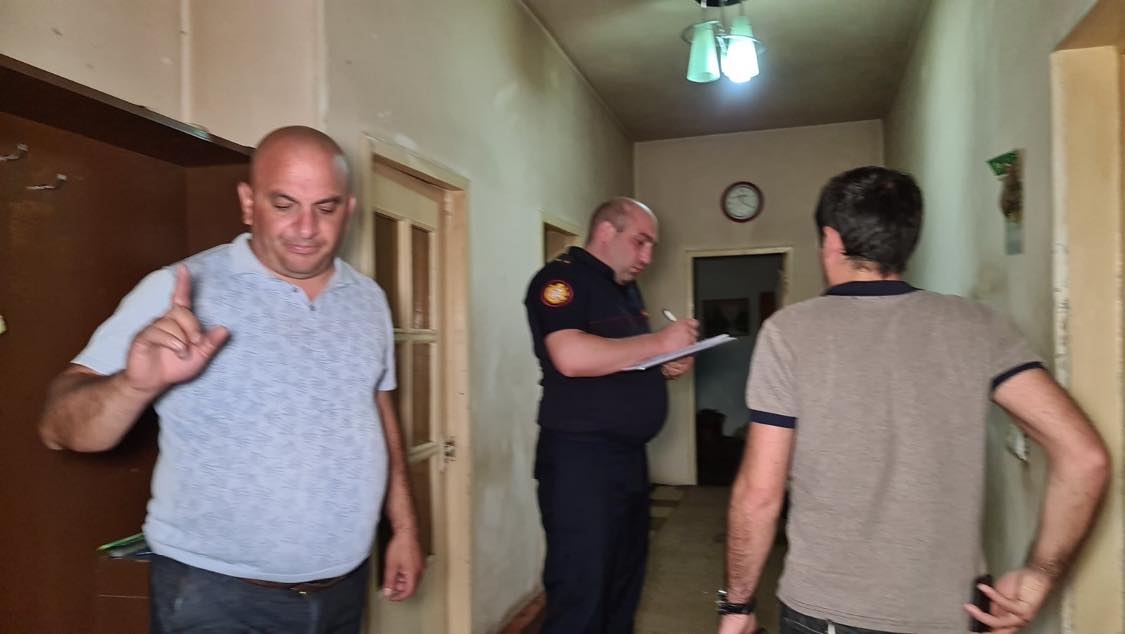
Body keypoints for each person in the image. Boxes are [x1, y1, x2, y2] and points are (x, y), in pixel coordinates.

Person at [37, 126, 424, 633]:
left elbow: (378, 411)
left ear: (348, 210)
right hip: (215, 598)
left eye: (325, 208)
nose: (306, 228)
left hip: (342, 587)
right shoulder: (179, 289)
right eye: (284, 204)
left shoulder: (368, 299)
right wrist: (134, 385)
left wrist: (404, 528)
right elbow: (57, 427)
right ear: (248, 203)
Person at [719, 167, 1109, 634]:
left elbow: (760, 495)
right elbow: (1085, 457)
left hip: (827, 613)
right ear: (906, 241)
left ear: (831, 239)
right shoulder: (978, 326)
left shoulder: (789, 333)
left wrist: (737, 605)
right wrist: (1040, 575)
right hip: (951, 615)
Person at [524, 197, 699, 633]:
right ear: (606, 231)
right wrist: (660, 343)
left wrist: (666, 364)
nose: (648, 257)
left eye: (652, 246)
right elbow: (570, 356)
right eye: (641, 242)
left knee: (623, 588)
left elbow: (624, 359)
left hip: (626, 460)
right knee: (581, 593)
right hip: (581, 463)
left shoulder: (624, 289)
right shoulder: (561, 280)